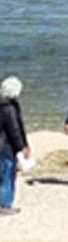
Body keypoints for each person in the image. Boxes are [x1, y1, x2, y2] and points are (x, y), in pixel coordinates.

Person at [1, 76, 30, 216]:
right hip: (5, 146)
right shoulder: (9, 108)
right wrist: (21, 147)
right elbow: (14, 130)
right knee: (7, 174)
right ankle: (5, 204)